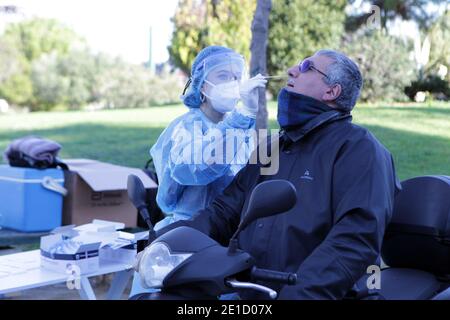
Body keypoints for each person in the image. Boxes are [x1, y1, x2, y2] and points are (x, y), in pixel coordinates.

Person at [150, 49, 402, 299]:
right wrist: (161, 243)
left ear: (331, 91)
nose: (292, 70)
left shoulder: (359, 149)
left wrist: (297, 296)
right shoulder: (274, 146)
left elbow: (354, 243)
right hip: (253, 293)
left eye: (306, 67)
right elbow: (223, 212)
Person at [129, 45, 266, 297]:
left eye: (237, 76)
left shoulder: (244, 133)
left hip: (227, 241)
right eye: (223, 76)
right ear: (202, 85)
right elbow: (198, 167)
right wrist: (244, 115)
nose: (234, 83)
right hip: (183, 238)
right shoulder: (185, 128)